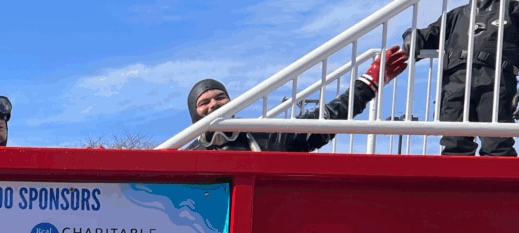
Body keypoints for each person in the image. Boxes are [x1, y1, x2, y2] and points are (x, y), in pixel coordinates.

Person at [185, 46, 408, 151]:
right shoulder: (185, 158)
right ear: (194, 113)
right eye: (204, 102)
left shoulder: (265, 138)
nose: (214, 105)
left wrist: (369, 83)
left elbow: (326, 119)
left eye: (220, 98)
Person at [403, 0, 519, 156]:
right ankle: (454, 180)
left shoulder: (513, 10)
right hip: (455, 85)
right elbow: (429, 34)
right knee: (455, 143)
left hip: (497, 84)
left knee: (497, 142)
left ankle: (499, 179)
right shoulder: (456, 16)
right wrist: (412, 35)